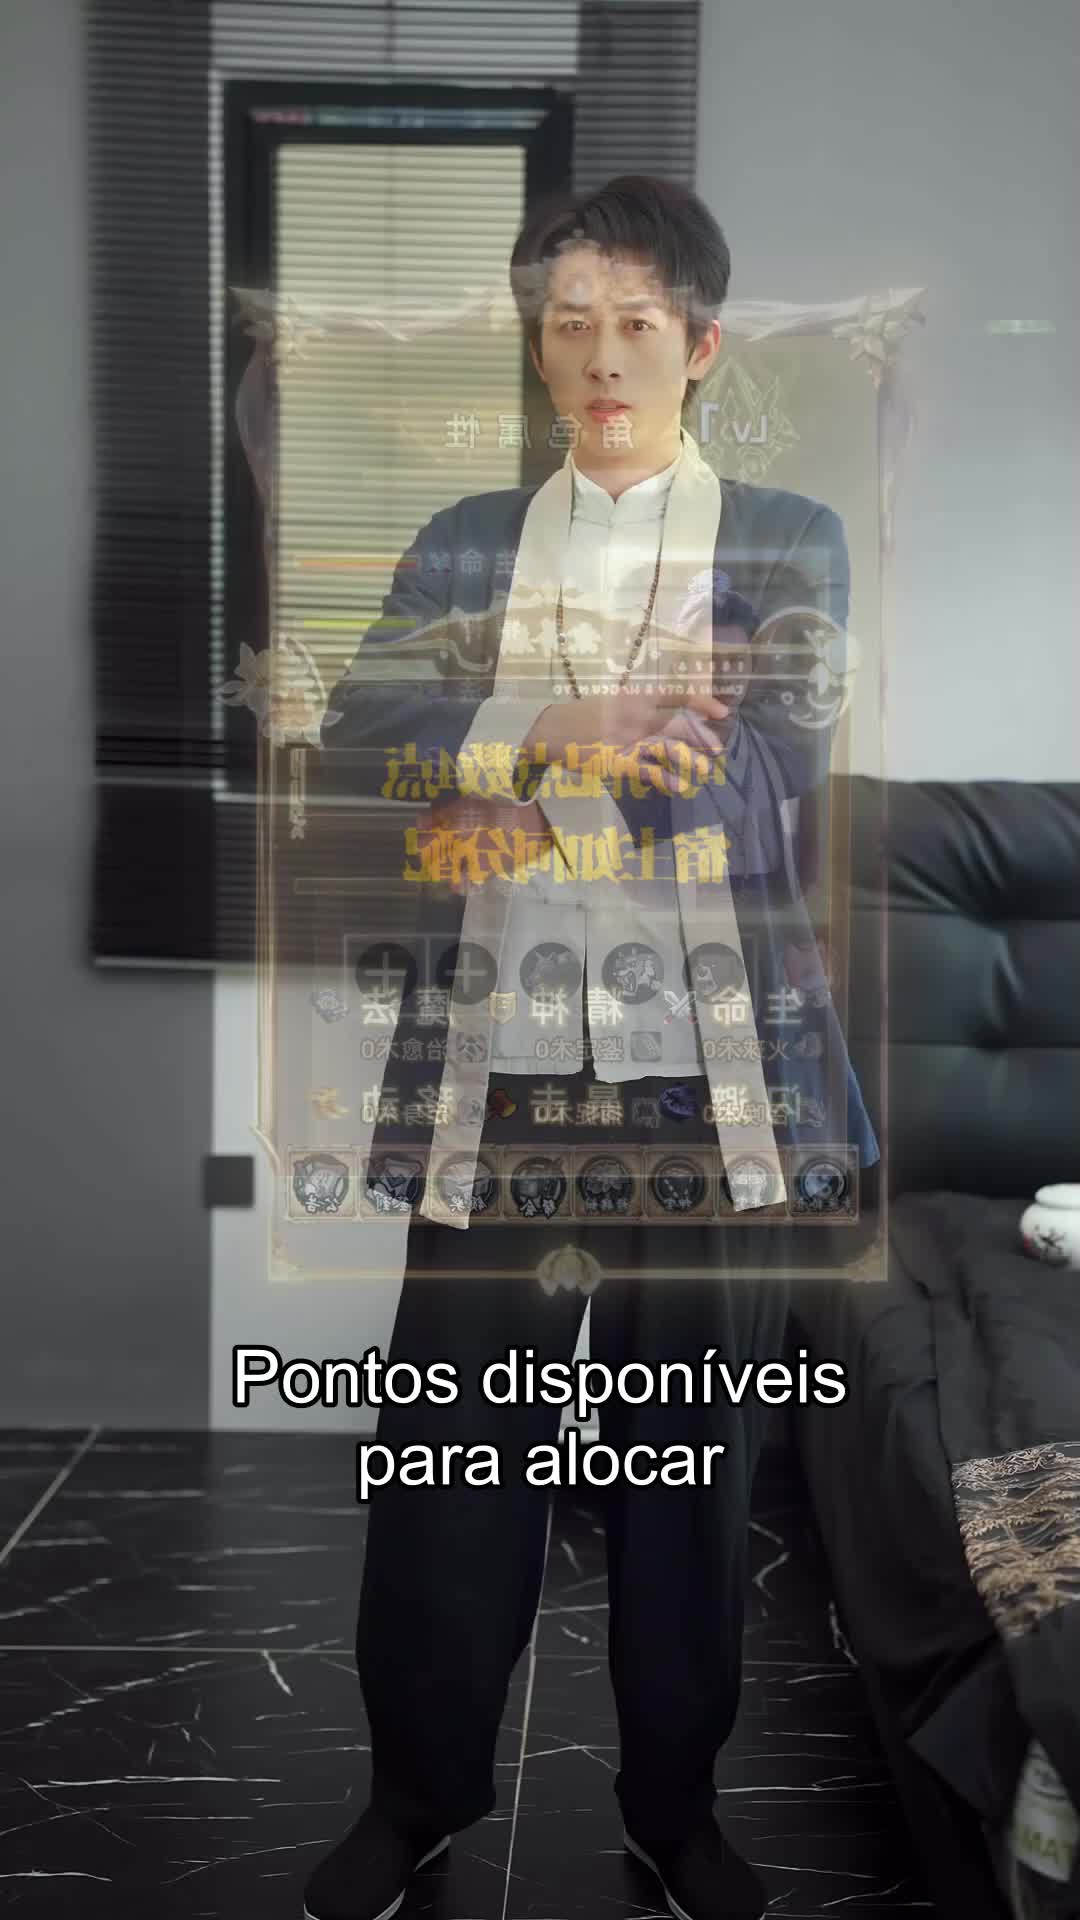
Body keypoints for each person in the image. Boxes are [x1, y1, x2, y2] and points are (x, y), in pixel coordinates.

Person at [303, 174, 879, 1920]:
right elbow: (362, 737)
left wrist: (506, 768)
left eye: (636, 324)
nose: (601, 357)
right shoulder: (465, 540)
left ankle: (673, 1810)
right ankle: (414, 1798)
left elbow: (765, 775)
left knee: (687, 1469)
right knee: (450, 1455)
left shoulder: (788, 541)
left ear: (699, 347)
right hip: (505, 1072)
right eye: (569, 325)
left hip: (714, 1078)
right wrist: (569, 715)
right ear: (538, 346)